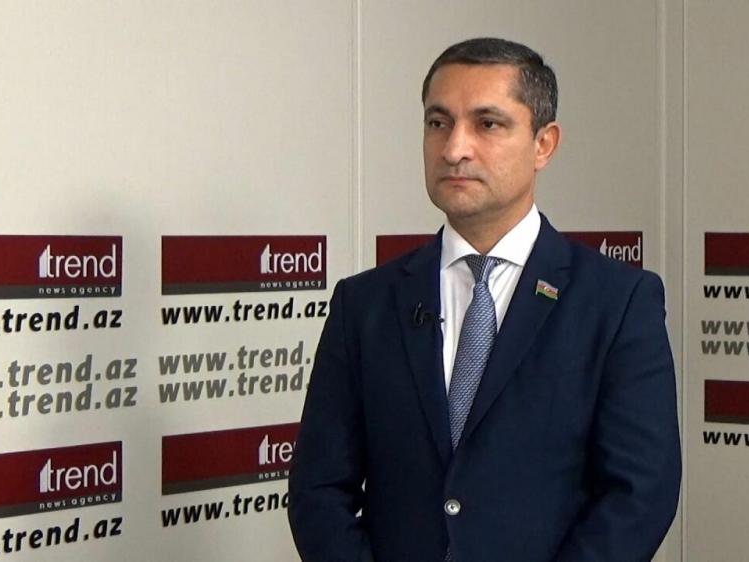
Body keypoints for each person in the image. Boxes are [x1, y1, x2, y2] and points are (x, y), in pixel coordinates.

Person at [288, 37, 681, 562]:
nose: (454, 149)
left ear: (544, 144)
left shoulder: (617, 303)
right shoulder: (364, 305)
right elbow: (318, 489)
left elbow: (639, 495)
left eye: (487, 124)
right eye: (438, 123)